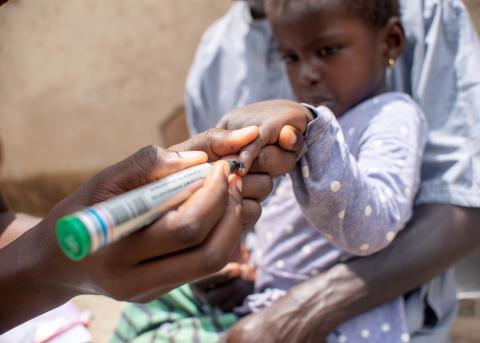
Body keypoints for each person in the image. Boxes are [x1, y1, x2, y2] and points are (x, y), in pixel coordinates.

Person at [114, 0, 480, 342]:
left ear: (391, 42)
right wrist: (223, 263)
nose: (306, 74)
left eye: (327, 51)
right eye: (289, 56)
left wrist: (314, 126)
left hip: (347, 318)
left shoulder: (391, 116)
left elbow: (376, 226)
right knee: (142, 313)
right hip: (259, 291)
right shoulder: (216, 53)